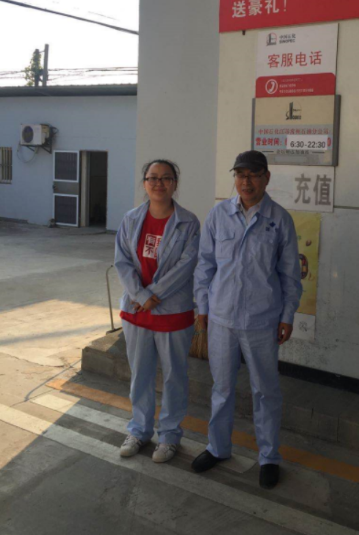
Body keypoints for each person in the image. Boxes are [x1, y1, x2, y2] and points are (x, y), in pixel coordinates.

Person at [192, 150, 302, 489]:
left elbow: (290, 275)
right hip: (222, 318)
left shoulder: (279, 219)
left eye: (253, 174)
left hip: (262, 320)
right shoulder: (218, 215)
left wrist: (287, 316)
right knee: (222, 389)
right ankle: (218, 448)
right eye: (240, 174)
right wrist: (202, 309)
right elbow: (205, 265)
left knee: (266, 391)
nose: (246, 181)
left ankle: (268, 457)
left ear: (266, 177)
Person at [115, 159, 200, 463]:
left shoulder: (188, 223)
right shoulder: (130, 219)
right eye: (153, 178)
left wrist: (154, 295)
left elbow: (186, 265)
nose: (159, 184)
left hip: (172, 311)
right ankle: (139, 430)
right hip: (137, 310)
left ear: (175, 183)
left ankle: (169, 436)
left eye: (166, 178)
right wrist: (141, 295)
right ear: (144, 183)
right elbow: (122, 261)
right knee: (141, 375)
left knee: (175, 377)